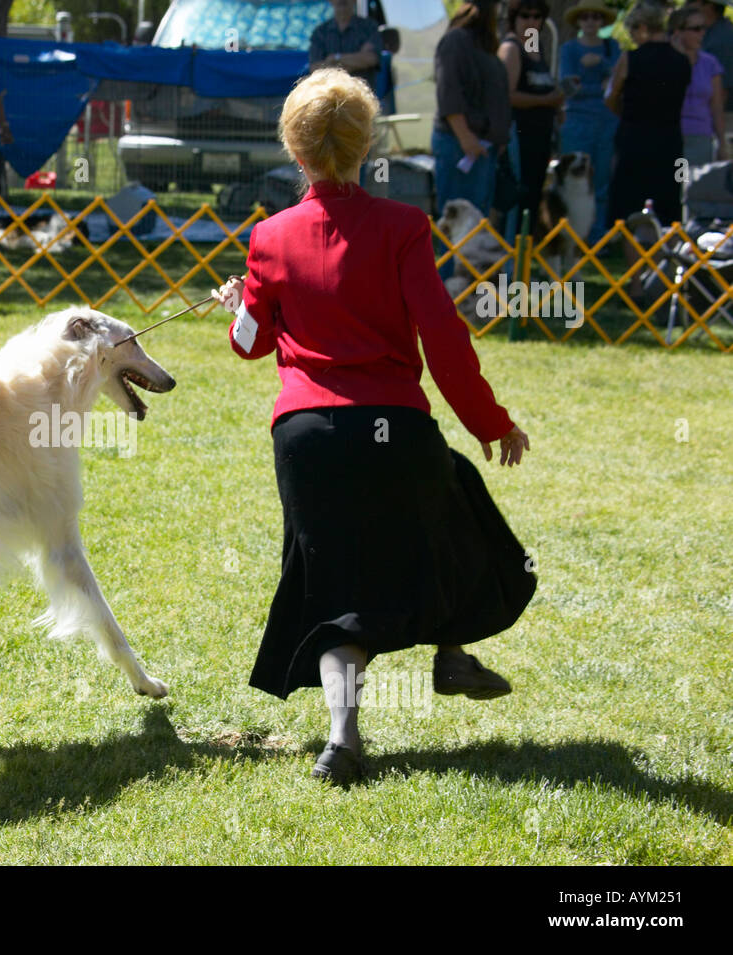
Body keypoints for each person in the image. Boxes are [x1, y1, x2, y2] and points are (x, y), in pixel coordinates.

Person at [212, 68, 534, 787]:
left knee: (335, 581)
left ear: (296, 151)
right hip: (396, 427)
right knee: (451, 505)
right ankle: (450, 652)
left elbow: (250, 343)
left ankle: (342, 738)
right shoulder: (401, 227)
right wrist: (489, 421)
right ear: (366, 149)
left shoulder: (269, 235)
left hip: (307, 439)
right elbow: (445, 338)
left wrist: (240, 300)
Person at [606, 2, 691, 229]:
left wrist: (624, 112)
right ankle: (666, 262)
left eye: (633, 30)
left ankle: (636, 263)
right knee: (669, 209)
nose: (632, 37)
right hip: (670, 141)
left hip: (634, 140)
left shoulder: (629, 58)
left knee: (629, 208)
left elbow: (610, 97)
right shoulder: (683, 60)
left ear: (642, 27)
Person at [431, 0, 511, 220]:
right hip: (459, 145)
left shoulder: (484, 46)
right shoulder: (455, 41)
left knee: (477, 223)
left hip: (482, 147)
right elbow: (449, 93)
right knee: (458, 224)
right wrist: (466, 138)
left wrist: (499, 136)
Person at [499, 1, 563, 235]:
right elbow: (507, 96)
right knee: (518, 198)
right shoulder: (511, 49)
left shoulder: (537, 48)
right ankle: (508, 264)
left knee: (534, 196)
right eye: (525, 16)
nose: (531, 22)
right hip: (518, 137)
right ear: (514, 19)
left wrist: (556, 106)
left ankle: (524, 261)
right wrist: (547, 101)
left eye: (537, 17)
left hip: (541, 137)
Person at [559, 2, 621, 243]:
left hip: (606, 121)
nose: (591, 22)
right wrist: (599, 87)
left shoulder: (611, 46)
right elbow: (568, 88)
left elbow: (616, 82)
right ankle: (569, 237)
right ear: (578, 21)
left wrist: (601, 65)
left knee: (601, 182)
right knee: (572, 182)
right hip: (577, 122)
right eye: (585, 17)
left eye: (596, 17)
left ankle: (597, 237)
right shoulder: (569, 49)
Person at [673, 3, 728, 166]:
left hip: (701, 138)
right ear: (678, 31)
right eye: (696, 29)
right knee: (677, 185)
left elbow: (717, 107)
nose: (702, 33)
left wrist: (722, 144)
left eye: (703, 28)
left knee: (694, 189)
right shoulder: (666, 61)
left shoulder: (710, 63)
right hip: (671, 137)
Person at [307, 0, 383, 90]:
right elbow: (315, 68)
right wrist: (356, 62)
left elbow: (371, 58)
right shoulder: (320, 32)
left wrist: (335, 58)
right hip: (330, 96)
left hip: (362, 95)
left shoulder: (369, 27)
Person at [700, 0, 733, 135]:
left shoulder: (722, 39)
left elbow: (723, 89)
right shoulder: (712, 32)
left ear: (709, 6)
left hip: (723, 120)